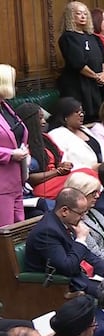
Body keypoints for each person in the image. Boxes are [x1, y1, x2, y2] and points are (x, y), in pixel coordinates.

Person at [25, 187, 104, 296]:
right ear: (64, 211)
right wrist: (80, 239)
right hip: (58, 286)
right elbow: (67, 267)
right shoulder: (47, 232)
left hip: (78, 277)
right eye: (80, 214)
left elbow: (85, 253)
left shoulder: (63, 222)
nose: (83, 218)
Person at [57, 1, 104, 122]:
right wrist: (97, 77)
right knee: (84, 119)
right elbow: (78, 63)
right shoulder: (68, 37)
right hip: (79, 86)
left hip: (97, 85)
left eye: (85, 13)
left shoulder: (93, 37)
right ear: (70, 16)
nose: (83, 16)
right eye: (79, 13)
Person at [17, 103, 79, 201]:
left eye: (43, 118)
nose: (44, 122)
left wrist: (62, 166)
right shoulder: (22, 145)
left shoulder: (46, 138)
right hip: (40, 187)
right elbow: (28, 178)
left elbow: (56, 163)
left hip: (56, 180)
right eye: (40, 118)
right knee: (82, 179)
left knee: (87, 174)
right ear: (29, 121)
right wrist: (57, 172)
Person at [0, 65, 28, 225]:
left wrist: (25, 151)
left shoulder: (5, 107)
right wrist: (11, 154)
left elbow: (18, 134)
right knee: (6, 236)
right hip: (2, 185)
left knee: (19, 230)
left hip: (16, 181)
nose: (15, 85)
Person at [47, 97, 103, 170]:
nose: (82, 115)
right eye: (77, 112)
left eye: (82, 112)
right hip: (81, 176)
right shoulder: (56, 134)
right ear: (65, 116)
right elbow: (63, 164)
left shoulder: (84, 129)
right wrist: (91, 168)